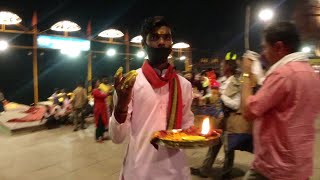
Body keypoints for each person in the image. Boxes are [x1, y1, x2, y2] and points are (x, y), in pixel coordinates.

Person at [109, 16, 194, 180]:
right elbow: (117, 137)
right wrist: (120, 106)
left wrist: (196, 132)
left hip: (176, 171)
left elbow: (187, 125)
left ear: (171, 43)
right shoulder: (130, 83)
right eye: (155, 37)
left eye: (166, 37)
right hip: (140, 171)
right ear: (143, 44)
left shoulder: (184, 85)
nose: (161, 42)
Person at [241, 22, 320, 180]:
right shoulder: (310, 73)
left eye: (265, 47)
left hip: (274, 167)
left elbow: (249, 111)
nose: (264, 53)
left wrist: (246, 74)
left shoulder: (283, 74)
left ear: (278, 47)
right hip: (299, 165)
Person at [191, 60, 253, 179]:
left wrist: (221, 96)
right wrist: (202, 98)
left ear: (228, 67)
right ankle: (205, 169)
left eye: (222, 65)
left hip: (230, 120)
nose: (220, 67)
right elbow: (213, 96)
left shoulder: (237, 83)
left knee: (228, 147)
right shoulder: (222, 81)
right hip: (218, 119)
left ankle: (226, 173)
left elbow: (235, 105)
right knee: (214, 144)